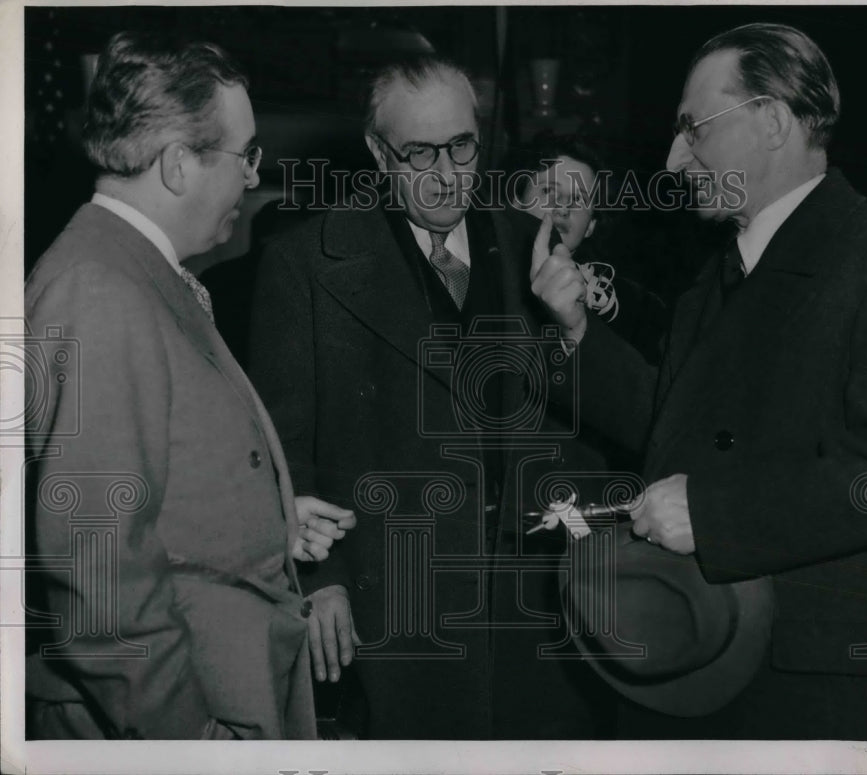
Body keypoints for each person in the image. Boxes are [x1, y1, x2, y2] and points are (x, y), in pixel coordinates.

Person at [530, 23, 867, 739]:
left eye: (692, 129)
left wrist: (714, 512)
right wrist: (577, 333)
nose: (673, 160)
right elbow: (671, 428)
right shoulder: (713, 282)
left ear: (773, 121)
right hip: (710, 654)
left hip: (824, 683)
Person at [247, 55, 621, 739]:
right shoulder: (302, 264)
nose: (447, 173)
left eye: (462, 146)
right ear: (377, 153)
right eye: (419, 153)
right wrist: (321, 578)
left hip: (535, 604)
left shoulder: (528, 243)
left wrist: (574, 333)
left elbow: (600, 419)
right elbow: (280, 450)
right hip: (395, 603)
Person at [24, 31, 355, 740]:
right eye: (245, 156)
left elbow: (152, 481)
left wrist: (269, 515)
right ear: (178, 164)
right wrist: (189, 744)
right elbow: (100, 576)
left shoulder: (137, 271)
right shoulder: (100, 290)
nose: (250, 178)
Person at [512, 132, 669, 364]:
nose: (562, 207)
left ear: (590, 226)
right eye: (548, 191)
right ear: (516, 204)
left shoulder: (631, 306)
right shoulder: (477, 270)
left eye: (579, 200)